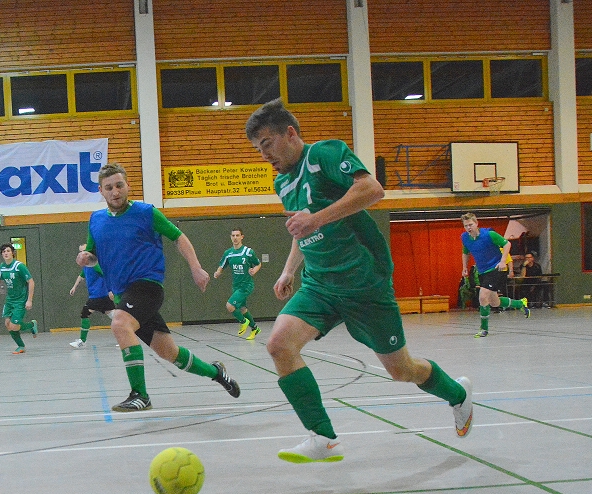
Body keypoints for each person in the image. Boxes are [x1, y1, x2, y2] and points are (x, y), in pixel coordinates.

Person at [245, 99, 473, 464]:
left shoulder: (325, 154)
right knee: (279, 346)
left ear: (290, 133)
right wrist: (289, 269)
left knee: (402, 370)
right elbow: (302, 228)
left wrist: (316, 219)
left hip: (364, 283)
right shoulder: (282, 182)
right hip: (320, 284)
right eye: (259, 149)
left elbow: (372, 190)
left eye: (267, 144)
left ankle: (457, 394)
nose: (264, 155)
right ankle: (323, 438)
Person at [76, 163, 240, 412]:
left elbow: (179, 237)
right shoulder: (96, 220)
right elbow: (93, 256)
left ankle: (140, 395)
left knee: (119, 324)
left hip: (147, 286)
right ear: (101, 191)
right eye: (109, 188)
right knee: (169, 353)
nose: (115, 192)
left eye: (119, 185)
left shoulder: (146, 212)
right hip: (122, 294)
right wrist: (86, 258)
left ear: (128, 185)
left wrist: (196, 267)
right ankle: (217, 373)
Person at [461, 213, 531, 337]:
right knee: (494, 302)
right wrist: (464, 267)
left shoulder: (489, 234)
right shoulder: (465, 238)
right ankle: (520, 303)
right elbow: (465, 252)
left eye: (470, 224)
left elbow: (507, 244)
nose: (468, 228)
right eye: (466, 226)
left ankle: (484, 329)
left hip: (496, 268)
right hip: (483, 271)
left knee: (483, 296)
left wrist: (503, 261)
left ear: (476, 223)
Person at [0, 243, 38, 354]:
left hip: (20, 300)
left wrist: (29, 300)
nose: (6, 253)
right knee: (8, 324)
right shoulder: (2, 266)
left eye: (8, 251)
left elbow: (31, 282)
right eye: (4, 252)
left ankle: (32, 325)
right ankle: (21, 346)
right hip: (9, 300)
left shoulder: (19, 266)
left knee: (14, 326)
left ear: (13, 253)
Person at [214, 228, 262, 340]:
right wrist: (218, 272)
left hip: (246, 285)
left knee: (230, 306)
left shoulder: (248, 252)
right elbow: (222, 265)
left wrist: (254, 270)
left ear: (242, 237)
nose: (235, 238)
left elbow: (258, 264)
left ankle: (243, 322)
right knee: (242, 309)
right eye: (233, 235)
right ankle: (255, 328)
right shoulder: (228, 253)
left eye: (237, 235)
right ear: (231, 237)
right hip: (236, 285)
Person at [68, 245, 114, 349]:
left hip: (99, 295)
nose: (81, 254)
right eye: (80, 252)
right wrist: (74, 287)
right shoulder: (86, 266)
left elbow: (106, 275)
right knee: (114, 315)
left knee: (85, 313)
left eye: (84, 252)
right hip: (98, 295)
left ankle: (82, 341)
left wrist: (110, 290)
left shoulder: (95, 265)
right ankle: (127, 334)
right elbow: (81, 276)